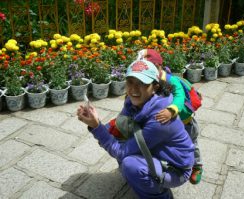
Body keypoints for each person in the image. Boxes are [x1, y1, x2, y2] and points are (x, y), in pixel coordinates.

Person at [77, 60, 194, 199]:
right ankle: (141, 177)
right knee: (110, 132)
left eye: (142, 83)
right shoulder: (131, 101)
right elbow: (121, 124)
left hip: (175, 169)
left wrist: (97, 127)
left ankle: (160, 196)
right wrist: (99, 125)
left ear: (155, 87)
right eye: (130, 81)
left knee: (130, 164)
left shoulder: (161, 119)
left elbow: (121, 152)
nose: (133, 89)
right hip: (154, 150)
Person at [137, 49, 203, 185]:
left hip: (186, 123)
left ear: (159, 66)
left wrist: (171, 110)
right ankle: (174, 163)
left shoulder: (171, 80)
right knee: (170, 146)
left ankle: (196, 166)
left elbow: (179, 97)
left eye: (152, 67)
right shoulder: (148, 81)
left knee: (191, 146)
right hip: (167, 126)